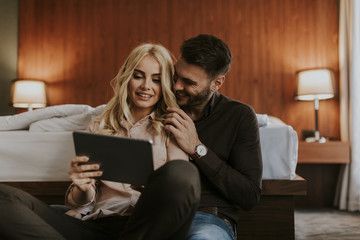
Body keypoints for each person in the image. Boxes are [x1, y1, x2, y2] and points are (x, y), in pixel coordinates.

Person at [0, 43, 200, 240]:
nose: (146, 86)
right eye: (138, 76)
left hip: (146, 227)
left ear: (164, 84)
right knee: (4, 197)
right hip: (98, 227)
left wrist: (151, 189)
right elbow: (81, 204)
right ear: (126, 77)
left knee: (183, 172)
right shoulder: (100, 126)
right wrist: (82, 187)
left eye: (156, 80)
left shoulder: (172, 127)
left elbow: (179, 188)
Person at [164, 34, 263, 240]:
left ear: (216, 83)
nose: (176, 87)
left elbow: (249, 196)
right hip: (152, 213)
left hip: (206, 219)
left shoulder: (239, 116)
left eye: (189, 82)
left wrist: (198, 148)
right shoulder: (160, 102)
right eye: (176, 76)